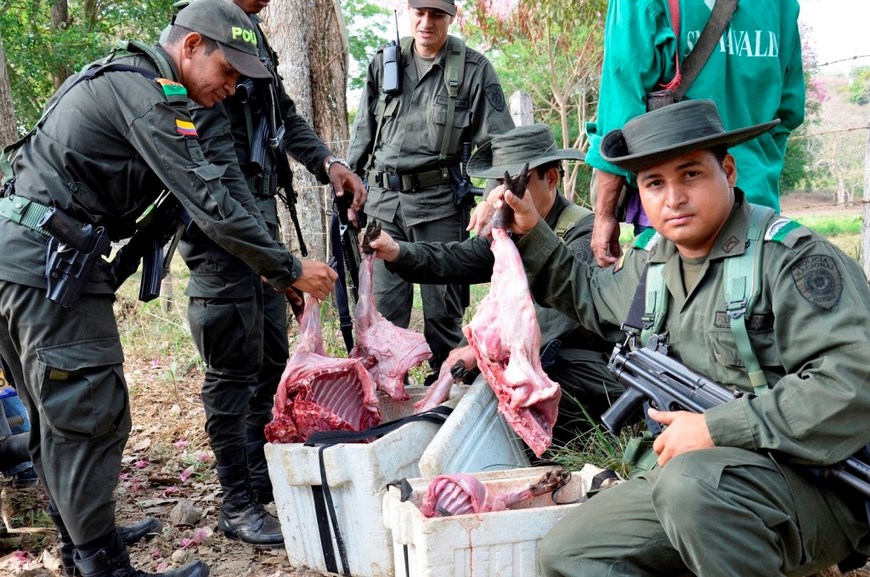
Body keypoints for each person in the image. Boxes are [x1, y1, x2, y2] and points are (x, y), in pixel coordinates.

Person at [0, 0, 337, 575]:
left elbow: (162, 210)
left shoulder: (141, 87)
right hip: (42, 267)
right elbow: (208, 203)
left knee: (56, 417)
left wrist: (115, 272)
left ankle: (85, 544)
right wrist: (286, 267)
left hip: (30, 262)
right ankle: (105, 565)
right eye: (227, 72)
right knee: (89, 415)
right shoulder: (149, 97)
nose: (231, 89)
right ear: (190, 48)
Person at [490, 99, 870, 576]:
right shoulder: (654, 262)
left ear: (727, 170)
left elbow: (852, 383)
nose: (673, 198)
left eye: (690, 175)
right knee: (572, 554)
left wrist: (717, 429)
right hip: (700, 481)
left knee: (688, 486)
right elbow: (588, 293)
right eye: (654, 183)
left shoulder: (791, 260)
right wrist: (531, 230)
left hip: (817, 484)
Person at [170, 0, 367, 547]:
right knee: (233, 368)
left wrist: (330, 164)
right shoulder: (201, 41)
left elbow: (286, 119)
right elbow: (217, 168)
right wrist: (272, 262)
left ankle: (261, 481)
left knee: (272, 358)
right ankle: (235, 501)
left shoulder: (250, 37)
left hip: (258, 224)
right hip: (222, 232)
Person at [367, 124, 623, 444]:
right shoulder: (510, 229)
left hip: (590, 365)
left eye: (517, 183)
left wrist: (479, 350)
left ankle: (577, 441)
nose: (507, 195)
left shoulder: (582, 231)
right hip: (536, 357)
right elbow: (458, 258)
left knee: (544, 366)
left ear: (552, 179)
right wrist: (398, 251)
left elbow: (560, 317)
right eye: (502, 184)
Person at [346, 0, 515, 378]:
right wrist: (350, 188)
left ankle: (447, 397)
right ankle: (389, 397)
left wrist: (491, 197)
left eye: (436, 14)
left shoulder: (473, 69)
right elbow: (363, 133)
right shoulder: (384, 63)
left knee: (442, 315)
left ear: (451, 16)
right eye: (419, 12)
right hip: (384, 206)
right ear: (408, 11)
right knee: (384, 316)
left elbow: (499, 143)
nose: (426, 23)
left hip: (438, 206)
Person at [588, 0, 805, 267]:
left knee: (668, 305)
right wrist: (755, 169)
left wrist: (604, 214)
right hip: (757, 209)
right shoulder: (780, 5)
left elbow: (620, 108)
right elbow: (788, 112)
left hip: (673, 215)